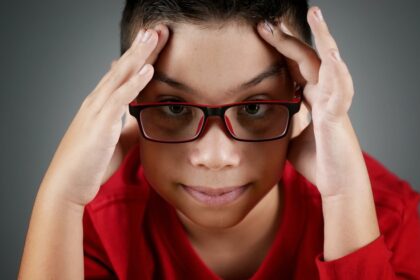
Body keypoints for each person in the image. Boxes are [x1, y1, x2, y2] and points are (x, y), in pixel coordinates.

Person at [18, 0, 420, 279]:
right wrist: (61, 197)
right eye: (174, 107)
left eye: (254, 108)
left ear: (303, 99)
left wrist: (344, 199)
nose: (215, 156)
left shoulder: (384, 216)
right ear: (122, 94)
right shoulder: (87, 222)